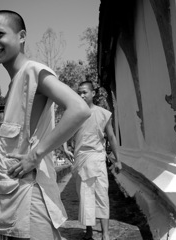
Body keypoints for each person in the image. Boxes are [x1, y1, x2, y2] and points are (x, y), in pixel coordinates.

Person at [0, 10, 91, 240]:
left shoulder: (32, 72)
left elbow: (79, 109)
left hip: (30, 200)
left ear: (21, 36)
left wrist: (36, 155)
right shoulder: (15, 84)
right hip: (10, 200)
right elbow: (13, 149)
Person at [63, 81, 122, 240]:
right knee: (85, 196)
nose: (81, 95)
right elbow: (65, 130)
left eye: (84, 92)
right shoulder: (76, 113)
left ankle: (106, 233)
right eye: (79, 93)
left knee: (101, 195)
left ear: (93, 93)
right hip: (81, 159)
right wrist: (65, 147)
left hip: (96, 158)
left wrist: (118, 160)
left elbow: (111, 137)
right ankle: (88, 230)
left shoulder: (103, 113)